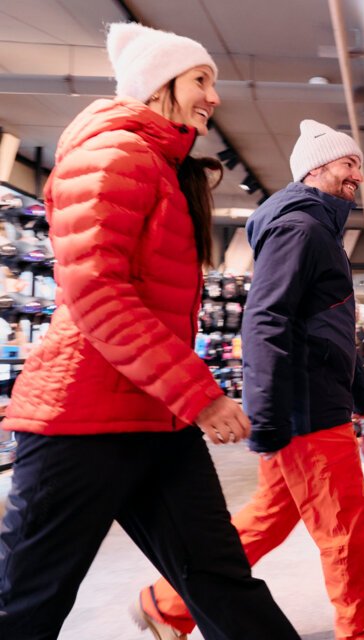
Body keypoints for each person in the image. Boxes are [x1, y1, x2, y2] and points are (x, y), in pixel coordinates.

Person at [0, 22, 300, 640]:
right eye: (200, 80)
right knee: (26, 604)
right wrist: (199, 393)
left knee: (221, 580)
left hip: (152, 417)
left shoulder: (160, 164)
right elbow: (97, 293)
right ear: (157, 85)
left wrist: (183, 400)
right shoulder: (112, 155)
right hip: (78, 420)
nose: (213, 97)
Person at [137, 120, 364, 640]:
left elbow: (323, 326)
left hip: (308, 404)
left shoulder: (316, 228)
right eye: (349, 165)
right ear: (318, 168)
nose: (358, 178)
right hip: (304, 411)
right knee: (348, 531)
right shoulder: (300, 227)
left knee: (269, 518)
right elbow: (265, 320)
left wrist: (360, 393)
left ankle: (166, 604)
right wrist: (270, 414)